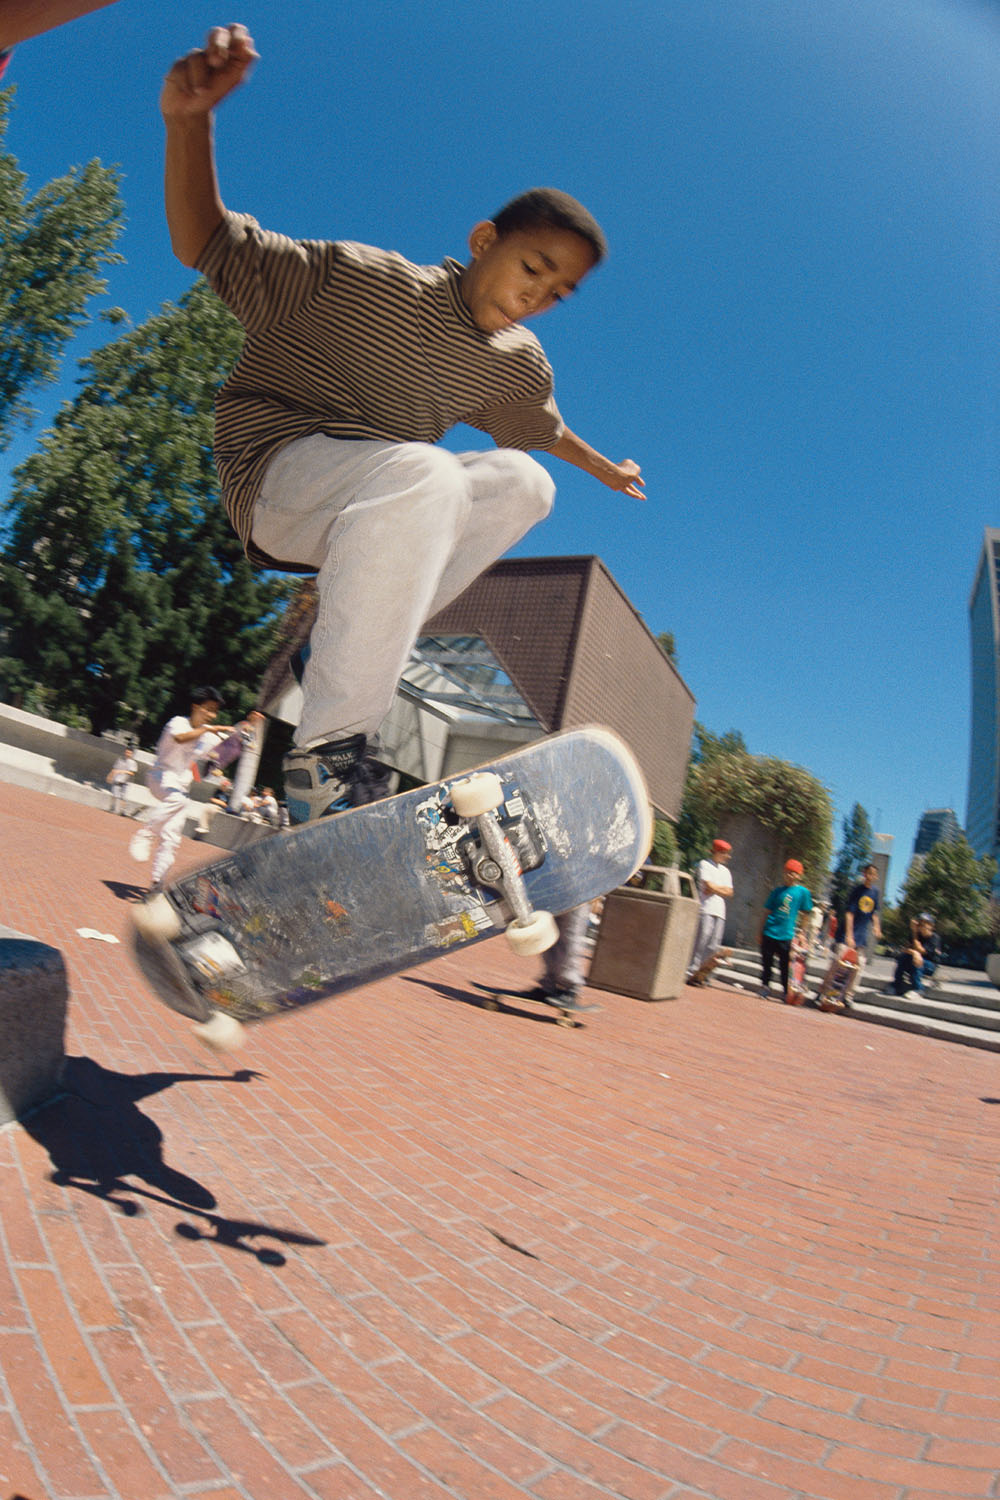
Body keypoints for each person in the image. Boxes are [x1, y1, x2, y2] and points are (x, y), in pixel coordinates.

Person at [160, 24, 644, 826]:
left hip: (369, 508)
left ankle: (345, 645)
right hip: (274, 480)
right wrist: (190, 122)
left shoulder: (516, 364)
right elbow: (206, 241)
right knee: (421, 470)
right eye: (531, 269)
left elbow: (543, 433)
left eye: (557, 293)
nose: (535, 298)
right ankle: (327, 756)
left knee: (526, 482)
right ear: (484, 240)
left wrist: (607, 471)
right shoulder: (361, 280)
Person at [129, 688, 233, 893]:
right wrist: (207, 730)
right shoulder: (177, 723)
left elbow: (225, 749)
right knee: (180, 800)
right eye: (208, 710)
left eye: (214, 712)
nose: (211, 715)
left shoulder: (210, 736)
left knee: (172, 836)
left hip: (180, 786)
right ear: (196, 707)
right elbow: (180, 739)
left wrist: (244, 731)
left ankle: (157, 884)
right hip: (160, 777)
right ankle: (146, 834)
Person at [819, 861, 882, 1007]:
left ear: (876, 876)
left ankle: (848, 995)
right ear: (864, 874)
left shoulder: (875, 892)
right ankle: (823, 991)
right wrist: (849, 935)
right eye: (868, 873)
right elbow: (849, 914)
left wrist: (877, 927)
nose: (870, 876)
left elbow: (874, 913)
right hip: (846, 934)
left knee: (859, 965)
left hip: (861, 936)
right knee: (838, 962)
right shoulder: (856, 890)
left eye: (873, 874)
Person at [759, 859, 813, 1001]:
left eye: (794, 873)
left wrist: (802, 932)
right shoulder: (777, 891)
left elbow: (807, 913)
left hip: (786, 934)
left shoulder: (802, 892)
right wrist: (760, 931)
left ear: (799, 876)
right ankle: (765, 987)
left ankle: (785, 992)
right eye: (788, 872)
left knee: (785, 965)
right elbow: (766, 912)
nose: (790, 876)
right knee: (767, 963)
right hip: (770, 932)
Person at [686, 839, 734, 985]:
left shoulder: (725, 871)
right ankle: (691, 971)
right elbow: (707, 885)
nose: (726, 856)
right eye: (723, 853)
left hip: (720, 911)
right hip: (706, 908)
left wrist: (714, 889)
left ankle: (703, 973)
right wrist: (719, 889)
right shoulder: (704, 864)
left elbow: (730, 892)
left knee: (714, 944)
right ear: (716, 852)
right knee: (702, 940)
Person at [892, 913, 941, 997]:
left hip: (930, 966)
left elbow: (922, 951)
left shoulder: (934, 938)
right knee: (903, 957)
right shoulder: (915, 935)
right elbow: (905, 949)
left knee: (918, 961)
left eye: (924, 924)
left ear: (931, 926)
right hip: (914, 961)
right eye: (919, 924)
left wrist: (914, 933)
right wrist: (914, 953)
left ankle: (918, 989)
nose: (921, 926)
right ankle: (896, 985)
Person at [106, 745, 137, 815]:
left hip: (126, 781)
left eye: (129, 753)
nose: (127, 754)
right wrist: (110, 776)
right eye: (126, 752)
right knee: (114, 794)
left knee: (123, 797)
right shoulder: (120, 759)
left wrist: (122, 771)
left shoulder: (132, 762)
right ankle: (112, 808)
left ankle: (122, 811)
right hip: (117, 779)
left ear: (132, 754)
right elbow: (114, 769)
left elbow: (132, 773)